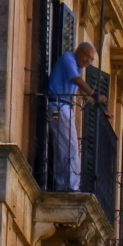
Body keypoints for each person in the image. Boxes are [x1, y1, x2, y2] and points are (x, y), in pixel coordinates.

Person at [45, 38, 99, 192]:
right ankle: (71, 186)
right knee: (71, 148)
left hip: (58, 108)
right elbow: (77, 80)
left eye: (91, 60)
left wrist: (98, 104)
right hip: (59, 108)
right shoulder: (68, 59)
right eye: (86, 57)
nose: (88, 61)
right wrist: (94, 94)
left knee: (63, 146)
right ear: (78, 51)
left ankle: (63, 183)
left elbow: (78, 87)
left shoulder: (76, 66)